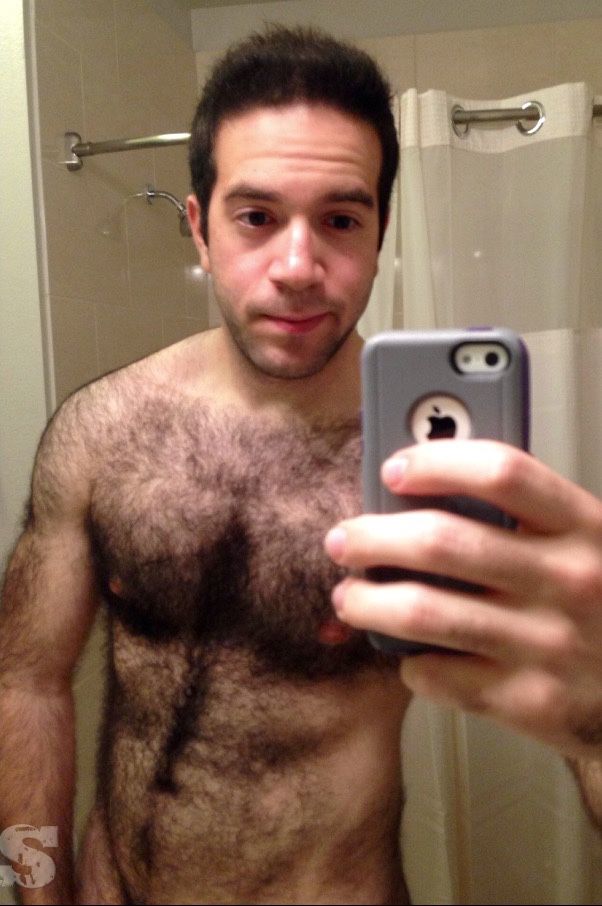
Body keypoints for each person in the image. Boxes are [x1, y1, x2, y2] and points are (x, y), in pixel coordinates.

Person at [0, 23, 601, 906]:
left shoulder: (442, 467)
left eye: (340, 219)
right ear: (200, 228)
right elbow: (25, 684)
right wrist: (35, 892)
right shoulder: (101, 431)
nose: (297, 267)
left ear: (381, 232)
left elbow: (572, 706)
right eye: (257, 217)